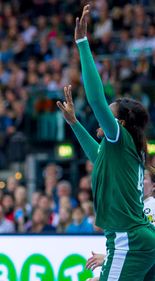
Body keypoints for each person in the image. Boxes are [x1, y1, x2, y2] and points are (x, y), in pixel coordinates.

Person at [56, 5, 155, 280]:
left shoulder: (119, 137)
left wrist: (82, 44)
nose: (101, 118)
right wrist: (75, 123)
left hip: (129, 240)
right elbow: (94, 155)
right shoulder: (118, 150)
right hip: (136, 238)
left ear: (120, 123)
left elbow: (96, 99)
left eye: (108, 116)